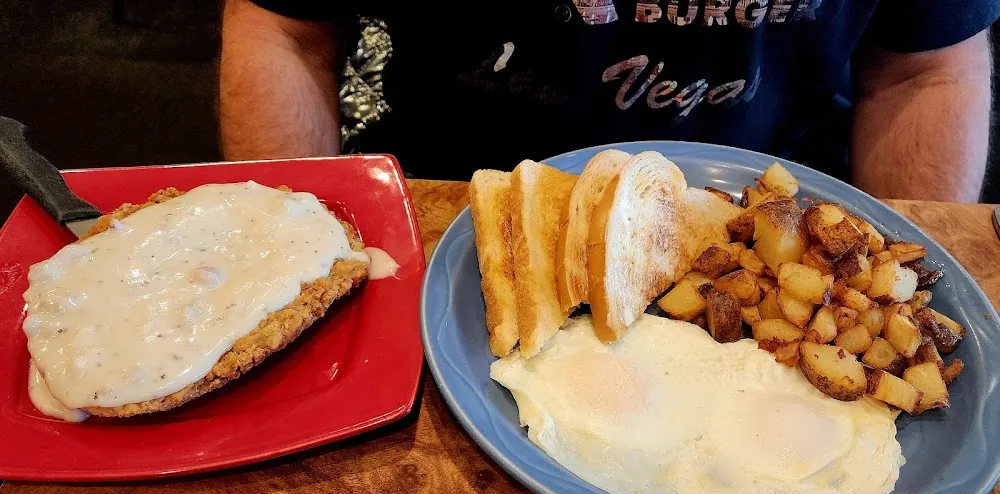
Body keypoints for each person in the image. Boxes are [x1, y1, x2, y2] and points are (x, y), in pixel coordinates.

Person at [219, 1, 998, 202]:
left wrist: (903, 287)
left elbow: (922, 70)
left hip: (767, 213)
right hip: (451, 205)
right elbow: (285, 29)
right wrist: (294, 247)